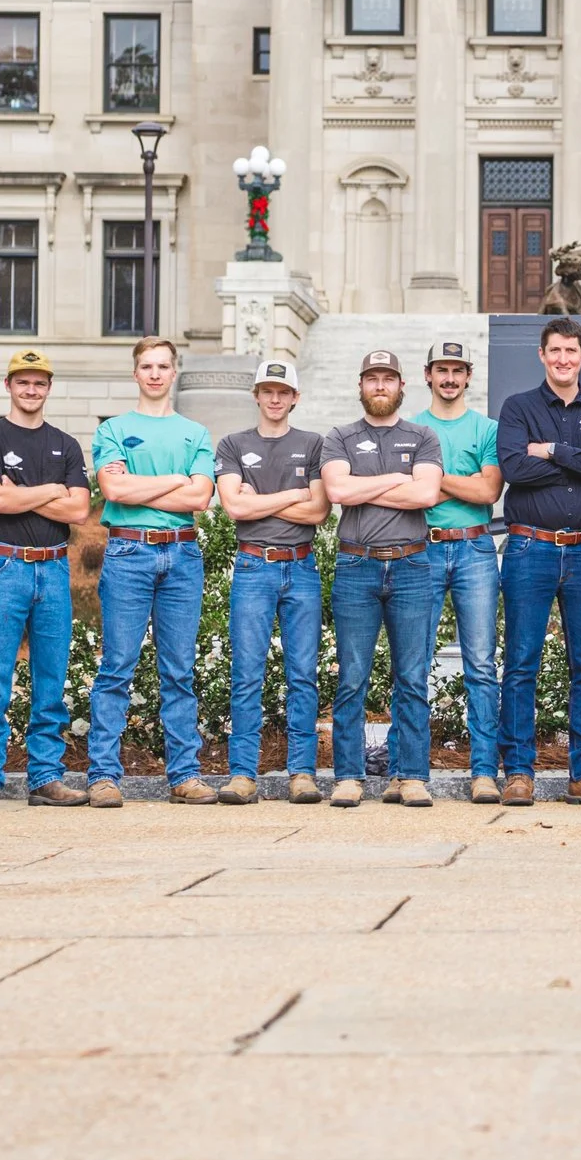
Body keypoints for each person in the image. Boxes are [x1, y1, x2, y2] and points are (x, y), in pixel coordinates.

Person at [497, 316, 581, 807]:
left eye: (571, 351)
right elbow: (514, 467)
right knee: (521, 663)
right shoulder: (518, 407)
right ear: (542, 354)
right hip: (530, 548)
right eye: (554, 351)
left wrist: (552, 451)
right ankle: (517, 772)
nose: (563, 359)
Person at [89, 337, 217, 807]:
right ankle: (104, 775)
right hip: (129, 554)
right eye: (147, 366)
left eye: (164, 365)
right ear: (135, 372)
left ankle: (184, 774)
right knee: (116, 667)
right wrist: (174, 481)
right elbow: (113, 490)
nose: (156, 374)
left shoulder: (196, 432)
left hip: (182, 557)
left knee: (179, 671)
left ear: (176, 370)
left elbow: (199, 499)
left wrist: (140, 487)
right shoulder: (114, 429)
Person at [0, 349, 93, 809]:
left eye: (39, 383)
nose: (31, 389)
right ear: (8, 385)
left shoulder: (66, 444)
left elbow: (78, 510)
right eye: (23, 382)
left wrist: (17, 491)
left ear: (48, 388)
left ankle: (45, 777)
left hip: (54, 566)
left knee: (50, 678)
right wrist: (49, 490)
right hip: (6, 565)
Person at [321, 349, 443, 808]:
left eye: (387, 379)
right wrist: (397, 478)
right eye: (372, 378)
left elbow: (427, 493)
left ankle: (409, 775)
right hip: (357, 566)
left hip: (411, 566)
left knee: (411, 676)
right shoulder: (340, 437)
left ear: (401, 385)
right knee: (352, 677)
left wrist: (366, 486)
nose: (379, 386)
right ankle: (349, 775)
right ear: (360, 385)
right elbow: (337, 490)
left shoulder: (423, 435)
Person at [217, 357, 328, 803]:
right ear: (257, 396)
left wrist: (259, 498)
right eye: (268, 390)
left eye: (283, 392)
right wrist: (293, 494)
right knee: (247, 673)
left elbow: (318, 512)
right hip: (253, 566)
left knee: (303, 673)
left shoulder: (314, 443)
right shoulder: (231, 443)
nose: (275, 398)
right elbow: (234, 509)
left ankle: (301, 772)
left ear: (295, 397)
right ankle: (243, 773)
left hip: (301, 566)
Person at [414, 338, 504, 801]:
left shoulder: (486, 429)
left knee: (481, 665)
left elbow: (489, 491)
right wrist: (459, 485)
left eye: (458, 370)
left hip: (475, 551)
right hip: (421, 550)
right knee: (413, 663)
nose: (449, 378)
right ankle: (407, 768)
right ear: (428, 375)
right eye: (441, 370)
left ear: (469, 376)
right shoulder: (410, 429)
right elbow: (409, 494)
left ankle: (484, 771)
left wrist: (432, 481)